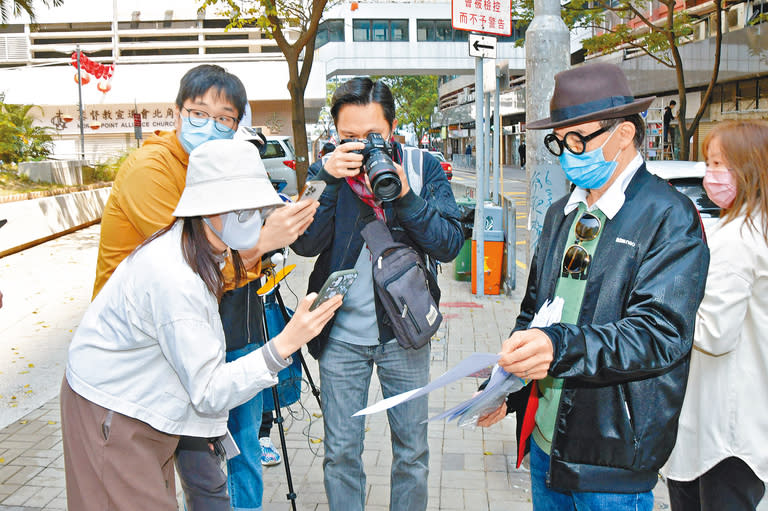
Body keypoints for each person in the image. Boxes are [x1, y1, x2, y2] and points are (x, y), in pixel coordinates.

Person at [61, 139, 343, 511]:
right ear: (207, 210)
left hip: (149, 403)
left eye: (256, 206)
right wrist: (285, 344)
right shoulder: (174, 276)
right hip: (113, 409)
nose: (255, 217)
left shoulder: (203, 249)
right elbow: (208, 389)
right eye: (242, 208)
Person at [477, 63, 709, 511]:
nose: (567, 153)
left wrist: (558, 346)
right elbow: (536, 313)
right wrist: (507, 391)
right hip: (546, 440)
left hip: (612, 457)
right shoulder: (562, 211)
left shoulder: (669, 216)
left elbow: (660, 334)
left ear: (623, 134)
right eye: (558, 141)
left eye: (578, 139)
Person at [91, 64, 319, 511]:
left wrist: (258, 245)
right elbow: (189, 264)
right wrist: (261, 242)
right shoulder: (149, 170)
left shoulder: (217, 168)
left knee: (222, 468)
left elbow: (232, 262)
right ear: (177, 114)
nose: (209, 126)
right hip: (139, 356)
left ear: (238, 126)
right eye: (198, 113)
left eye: (224, 119)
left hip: (208, 332)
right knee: (158, 478)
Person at [291, 77, 464, 511]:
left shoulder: (422, 168)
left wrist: (404, 195)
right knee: (341, 452)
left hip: (404, 333)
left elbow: (449, 243)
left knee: (412, 451)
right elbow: (303, 244)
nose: (363, 148)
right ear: (333, 134)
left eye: (373, 137)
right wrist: (328, 181)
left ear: (393, 128)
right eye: (349, 138)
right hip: (340, 337)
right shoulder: (325, 172)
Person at [663, 120, 768, 511]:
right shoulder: (754, 229)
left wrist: (663, 309)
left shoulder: (738, 240)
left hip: (723, 429)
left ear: (749, 167)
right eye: (708, 163)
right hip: (744, 422)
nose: (710, 175)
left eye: (718, 164)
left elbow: (714, 333)